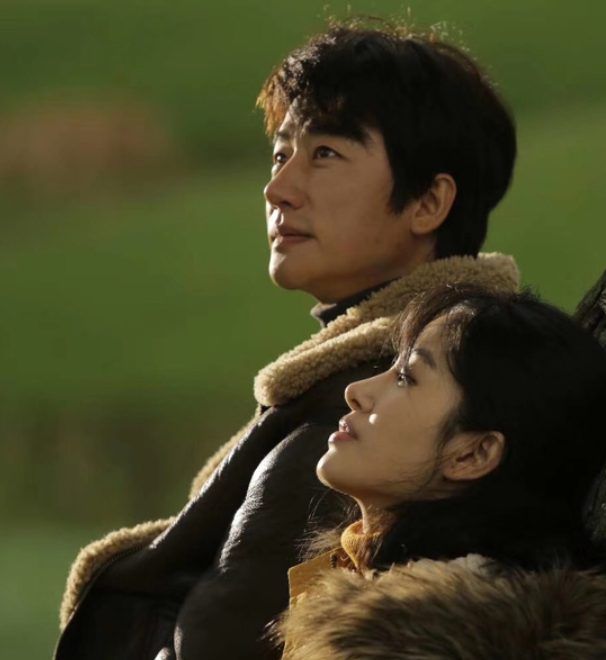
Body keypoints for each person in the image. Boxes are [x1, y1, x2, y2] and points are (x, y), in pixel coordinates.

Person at [56, 18, 519, 660]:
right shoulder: (403, 374)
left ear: (428, 203)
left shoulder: (369, 416)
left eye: (325, 154)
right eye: (280, 155)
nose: (278, 190)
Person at [275, 284, 606, 659]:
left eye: (406, 377)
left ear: (473, 454)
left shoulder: (415, 638)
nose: (356, 391)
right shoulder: (366, 584)